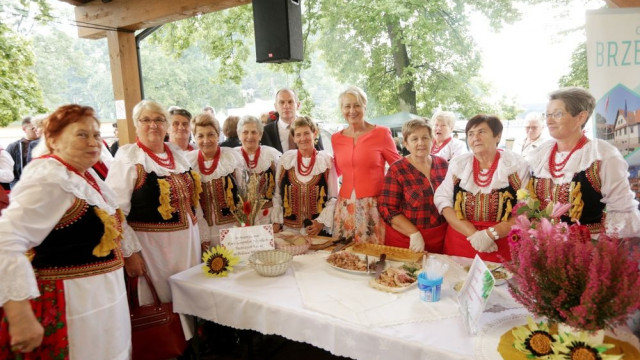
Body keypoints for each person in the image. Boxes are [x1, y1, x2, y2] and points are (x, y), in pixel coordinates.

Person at [0, 104, 131, 359]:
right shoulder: (50, 178)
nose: (93, 142)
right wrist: (19, 313)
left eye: (96, 135)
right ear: (53, 139)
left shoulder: (83, 175)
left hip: (100, 299)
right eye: (82, 134)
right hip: (73, 304)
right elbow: (5, 240)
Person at [106, 100, 201, 338]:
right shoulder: (129, 158)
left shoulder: (177, 155)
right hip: (153, 248)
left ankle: (189, 344)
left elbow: (192, 200)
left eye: (159, 120)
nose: (153, 125)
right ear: (136, 124)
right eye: (146, 120)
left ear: (166, 125)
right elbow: (115, 211)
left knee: (189, 294)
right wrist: (130, 253)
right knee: (160, 299)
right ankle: (166, 344)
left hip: (187, 243)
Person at [527, 87, 640, 237]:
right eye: (547, 115)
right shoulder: (540, 154)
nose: (548, 120)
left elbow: (621, 210)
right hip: (542, 247)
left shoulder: (601, 155)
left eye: (557, 114)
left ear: (580, 117)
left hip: (585, 250)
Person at [434, 115, 530, 262]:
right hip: (462, 241)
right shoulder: (459, 164)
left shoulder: (516, 165)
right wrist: (472, 233)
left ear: (497, 136)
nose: (475, 138)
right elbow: (443, 200)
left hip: (501, 243)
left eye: (482, 132)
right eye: (470, 134)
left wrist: (491, 234)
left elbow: (525, 208)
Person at [331, 86, 402, 244]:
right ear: (341, 109)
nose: (352, 110)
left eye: (356, 105)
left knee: (374, 258)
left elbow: (398, 168)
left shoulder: (382, 133)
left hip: (373, 206)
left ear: (364, 106)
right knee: (344, 255)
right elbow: (334, 170)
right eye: (347, 106)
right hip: (344, 206)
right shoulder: (336, 138)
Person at [378, 119, 448, 252]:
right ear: (406, 144)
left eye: (425, 138)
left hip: (440, 237)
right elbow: (386, 208)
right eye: (414, 139)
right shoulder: (397, 169)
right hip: (407, 239)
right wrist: (413, 233)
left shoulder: (443, 164)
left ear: (432, 140)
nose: (420, 143)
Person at [272, 116, 338, 236]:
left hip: (317, 232)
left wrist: (320, 222)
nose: (303, 138)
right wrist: (276, 221)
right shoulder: (286, 160)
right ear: (294, 138)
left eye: (307, 133)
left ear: (315, 133)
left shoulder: (326, 161)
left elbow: (333, 198)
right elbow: (277, 195)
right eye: (298, 135)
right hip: (288, 232)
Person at [187, 113, 244, 247]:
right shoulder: (188, 162)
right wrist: (203, 235)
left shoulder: (232, 157)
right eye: (200, 136)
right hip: (203, 231)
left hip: (233, 228)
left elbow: (244, 194)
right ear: (194, 138)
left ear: (218, 135)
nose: (206, 140)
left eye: (211, 134)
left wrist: (242, 224)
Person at [234, 115, 281, 225]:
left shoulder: (271, 155)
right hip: (242, 218)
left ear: (260, 135)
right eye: (245, 132)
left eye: (254, 132)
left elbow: (279, 191)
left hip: (268, 215)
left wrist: (277, 220)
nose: (250, 136)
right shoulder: (232, 157)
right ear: (239, 135)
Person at [261, 88, 324, 152]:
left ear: (298, 105)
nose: (286, 106)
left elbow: (320, 153)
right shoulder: (266, 131)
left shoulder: (312, 127)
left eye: (290, 102)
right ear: (275, 106)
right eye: (282, 102)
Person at [6, 116, 39, 188]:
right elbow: (7, 169)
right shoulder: (13, 147)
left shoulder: (46, 144)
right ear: (24, 129)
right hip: (19, 184)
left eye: (37, 127)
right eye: (33, 128)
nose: (36, 130)